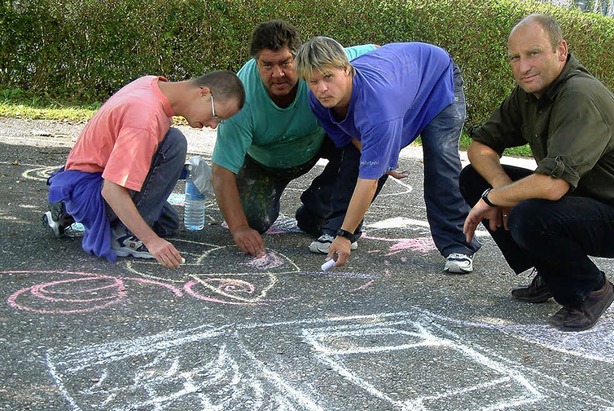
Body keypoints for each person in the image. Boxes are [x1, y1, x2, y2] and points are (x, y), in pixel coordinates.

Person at [460, 14, 614, 331]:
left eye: (533, 53)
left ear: (561, 51)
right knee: (473, 178)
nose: (523, 67)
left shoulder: (579, 96)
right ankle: (551, 272)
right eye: (515, 58)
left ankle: (591, 289)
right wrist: (499, 187)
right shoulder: (530, 94)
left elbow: (553, 186)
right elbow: (480, 145)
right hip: (578, 200)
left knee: (528, 215)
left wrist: (495, 198)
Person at [295, 36, 481, 273]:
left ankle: (459, 245)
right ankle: (336, 227)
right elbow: (354, 142)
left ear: (346, 69)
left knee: (440, 162)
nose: (322, 88)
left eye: (328, 77)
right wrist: (380, 156)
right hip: (403, 80)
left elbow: (369, 181)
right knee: (354, 158)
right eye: (313, 81)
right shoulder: (318, 100)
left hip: (437, 78)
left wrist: (345, 236)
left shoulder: (377, 106)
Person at [43, 71, 245, 269]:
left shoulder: (152, 85)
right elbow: (111, 190)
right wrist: (151, 241)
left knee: (167, 224)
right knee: (174, 144)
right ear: (203, 93)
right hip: (94, 189)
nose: (213, 125)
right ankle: (122, 236)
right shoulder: (145, 118)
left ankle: (67, 210)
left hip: (84, 178)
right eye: (216, 116)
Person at [211, 20, 378, 258]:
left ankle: (318, 208)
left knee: (362, 145)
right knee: (252, 221)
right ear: (255, 63)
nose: (278, 74)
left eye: (286, 63)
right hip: (264, 162)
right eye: (267, 65)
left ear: (298, 58)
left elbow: (377, 51)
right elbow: (221, 171)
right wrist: (239, 228)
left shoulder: (317, 67)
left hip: (319, 143)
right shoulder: (240, 97)